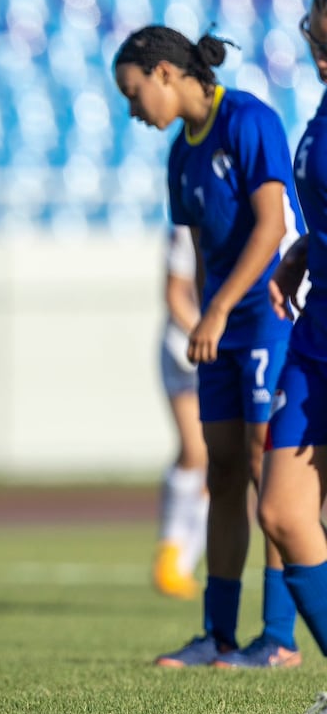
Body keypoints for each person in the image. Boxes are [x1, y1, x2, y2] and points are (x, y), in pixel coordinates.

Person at [114, 25, 305, 669]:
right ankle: (217, 634)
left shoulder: (249, 119)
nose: (134, 110)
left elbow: (274, 223)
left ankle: (278, 639)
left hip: (271, 318)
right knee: (221, 471)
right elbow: (200, 252)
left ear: (165, 73)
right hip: (221, 330)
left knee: (262, 466)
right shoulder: (180, 155)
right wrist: (205, 314)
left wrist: (218, 311)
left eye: (135, 93)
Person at [258, 0, 327, 714]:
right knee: (281, 510)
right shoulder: (323, 108)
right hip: (316, 334)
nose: (313, 39)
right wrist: (304, 250)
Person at [152, 224, 210, 600]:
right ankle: (171, 550)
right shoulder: (186, 228)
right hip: (186, 352)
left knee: (224, 463)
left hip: (228, 350)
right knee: (196, 450)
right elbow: (175, 295)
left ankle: (183, 559)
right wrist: (209, 329)